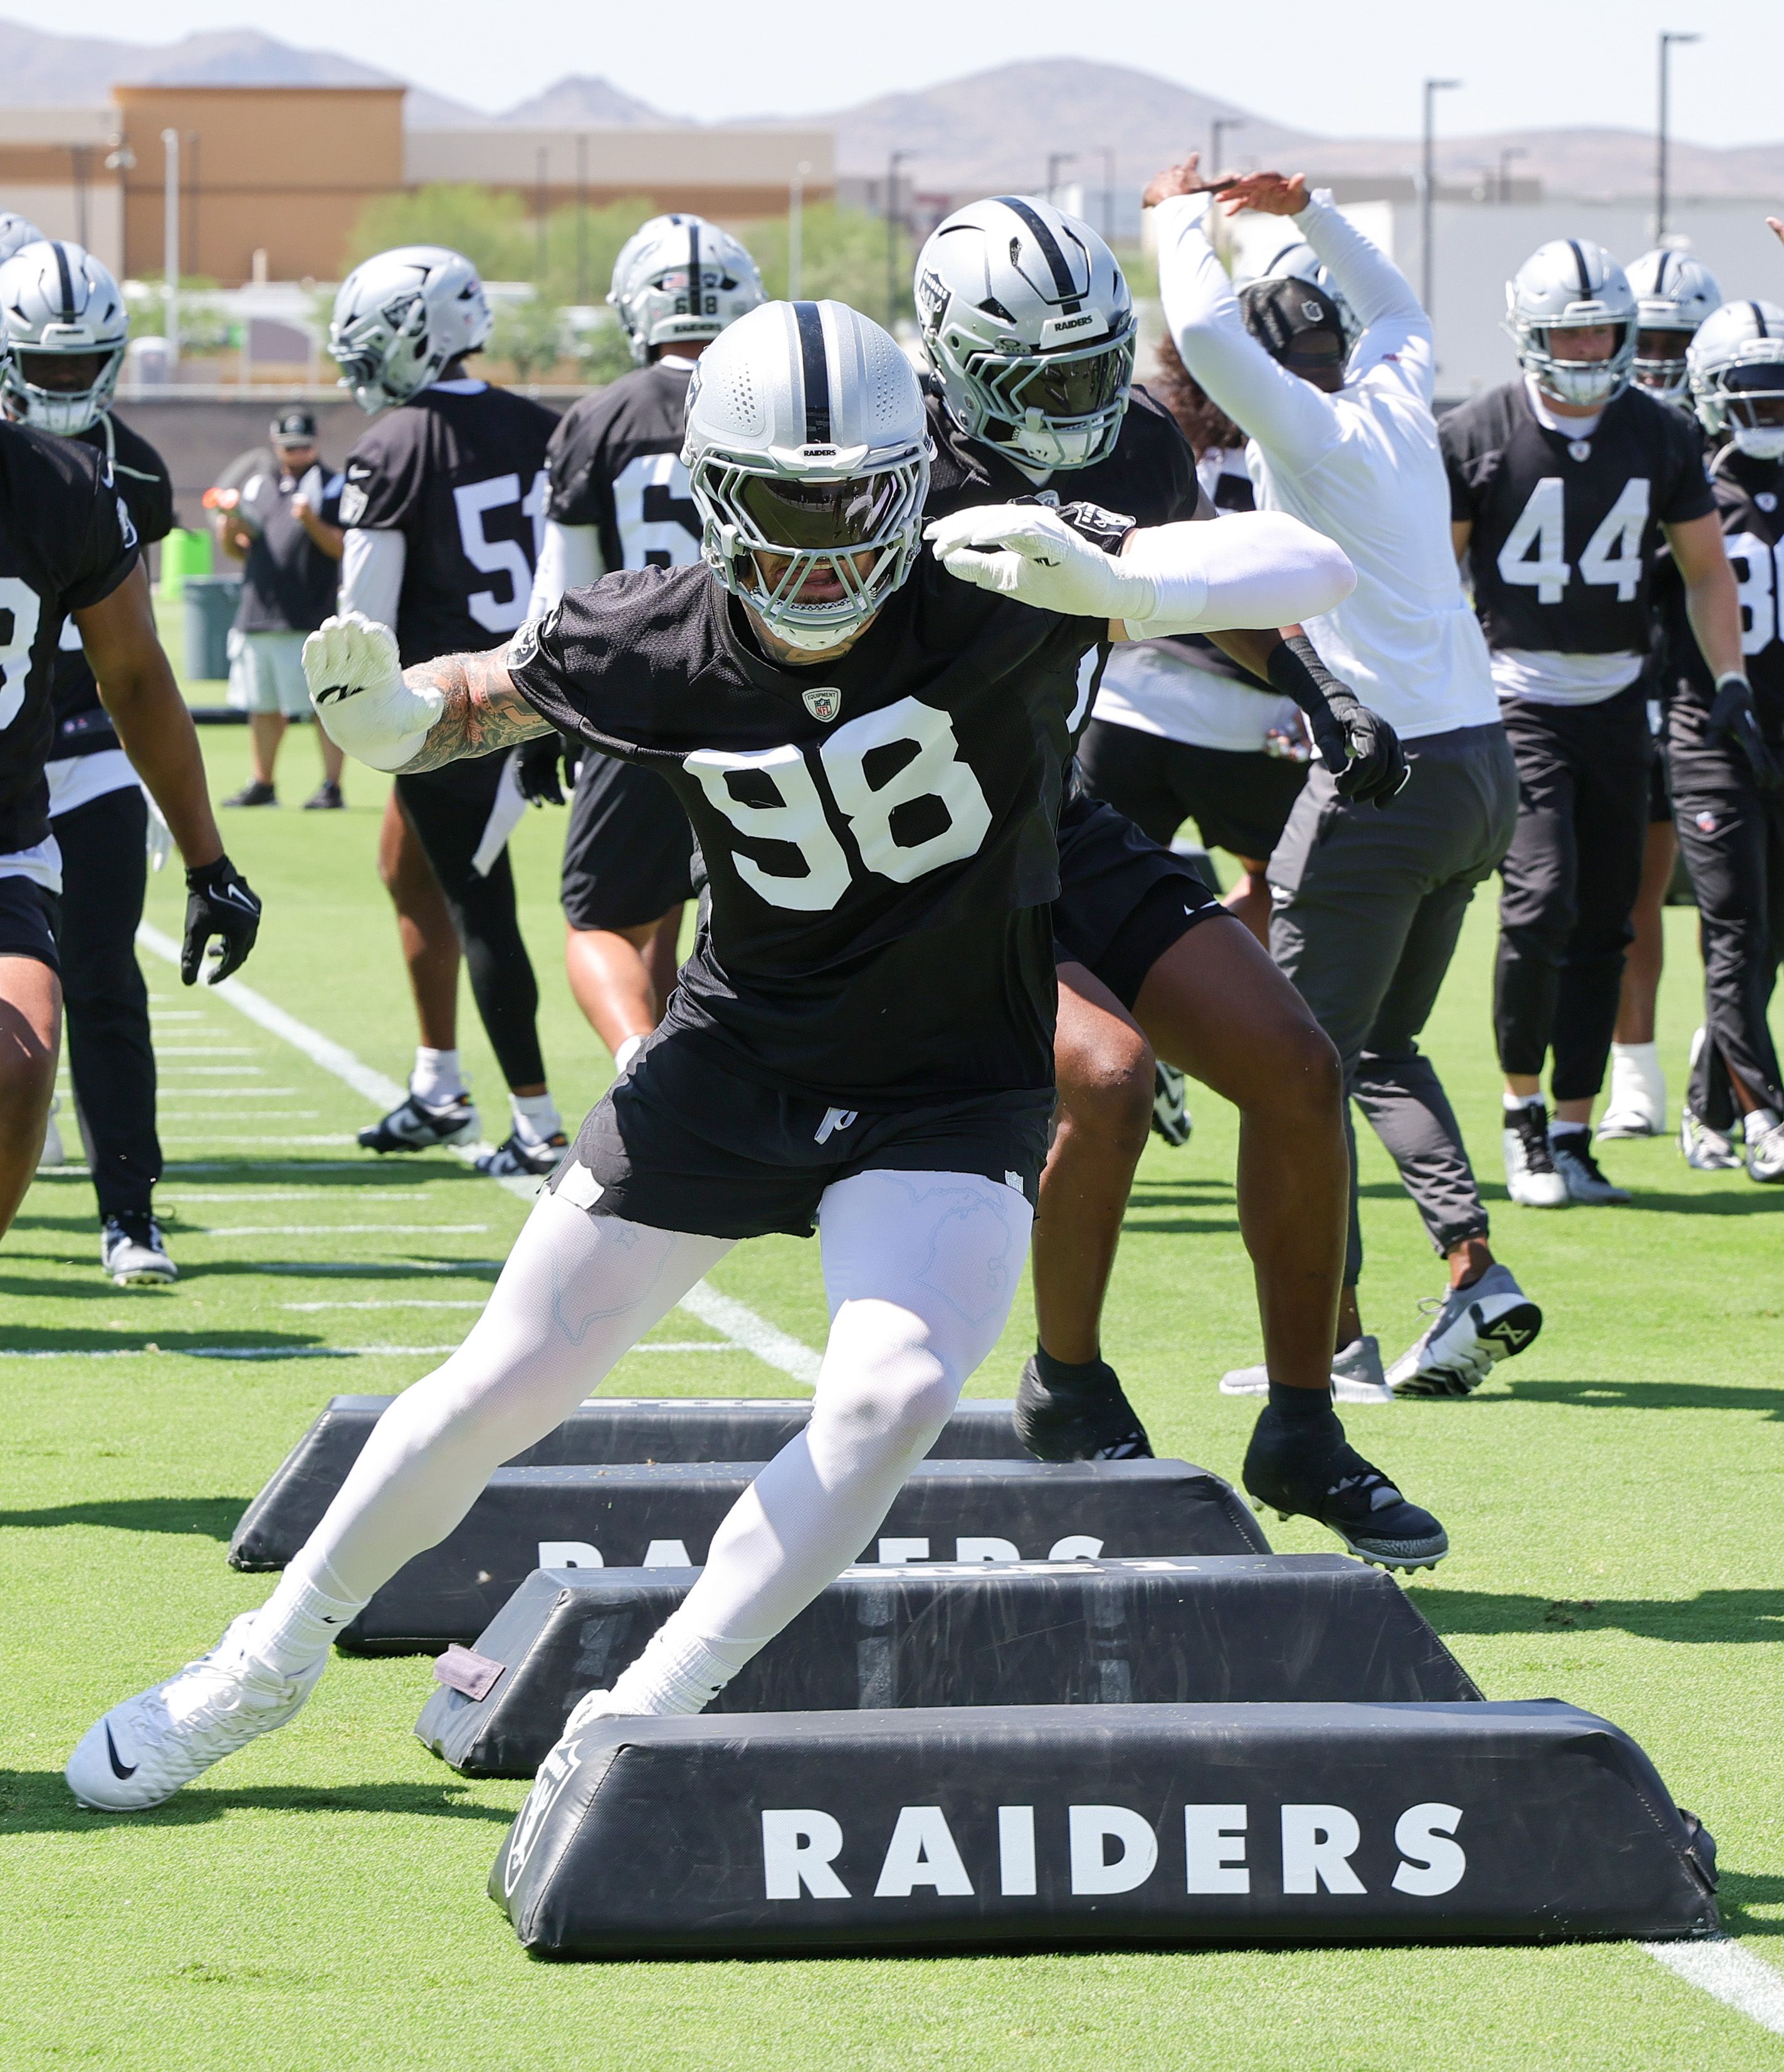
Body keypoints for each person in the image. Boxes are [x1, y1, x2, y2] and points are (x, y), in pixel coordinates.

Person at [63, 296, 1356, 1810]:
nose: (817, 551)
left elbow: (1308, 563)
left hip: (949, 1077)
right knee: (498, 1383)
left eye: (853, 505)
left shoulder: (999, 569)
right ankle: (261, 1664)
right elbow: (481, 695)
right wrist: (392, 714)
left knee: (889, 1396)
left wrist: (1120, 573)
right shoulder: (653, 626)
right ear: (711, 496)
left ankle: (642, 1706)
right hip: (735, 1057)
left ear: (911, 482)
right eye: (780, 507)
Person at [915, 196, 1444, 1565]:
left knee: (1295, 1062)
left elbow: (1205, 585)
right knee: (1101, 1075)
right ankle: (1068, 1378)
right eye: (1042, 376)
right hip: (918, 840)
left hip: (1060, 812)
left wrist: (1325, 691)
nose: (1081, 400)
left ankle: (1303, 1421)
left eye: (1097, 363)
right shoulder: (892, 459)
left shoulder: (1138, 437)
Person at [1150, 154, 1543, 1401]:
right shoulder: (1393, 390)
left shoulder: (1307, 428)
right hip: (1483, 764)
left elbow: (1207, 331)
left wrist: (1176, 221)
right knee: (1374, 1049)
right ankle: (1474, 1269)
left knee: (1295, 1061)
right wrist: (1306, 211)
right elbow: (1404, 311)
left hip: (1390, 774)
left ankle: (1335, 1345)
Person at [1443, 240, 1742, 1206]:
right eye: (1566, 328)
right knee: (1539, 903)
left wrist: (1728, 676)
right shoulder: (1479, 428)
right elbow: (1438, 580)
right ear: (1528, 332)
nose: (1585, 345)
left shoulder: (1655, 431)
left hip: (1619, 699)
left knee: (1610, 919)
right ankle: (1522, 1118)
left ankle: (1574, 1129)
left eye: (1600, 328)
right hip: (1515, 694)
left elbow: (1704, 568)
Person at [0, 282, 262, 1253]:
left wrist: (209, 860)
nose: (65, 380)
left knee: (79, 1000)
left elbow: (137, 669)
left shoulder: (92, 481)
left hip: (49, 782)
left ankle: (128, 1212)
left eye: (81, 362)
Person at [328, 245, 567, 1178]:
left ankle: (538, 1121)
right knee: (408, 866)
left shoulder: (392, 443)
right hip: (546, 679)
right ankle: (438, 1084)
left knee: (481, 904)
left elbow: (364, 615)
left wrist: (362, 712)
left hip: (450, 704)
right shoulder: (545, 425)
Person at [525, 216, 764, 1076]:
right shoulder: (775, 396)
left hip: (639, 698)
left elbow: (564, 602)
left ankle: (645, 1068)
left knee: (601, 924)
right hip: (769, 696)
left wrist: (545, 716)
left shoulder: (597, 418)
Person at [1077, 337, 1311, 946]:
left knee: (1083, 894)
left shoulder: (1147, 423)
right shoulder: (1299, 439)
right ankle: (1207, 1010)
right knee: (1280, 884)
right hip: (1242, 713)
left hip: (1123, 699)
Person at [1597, 250, 1724, 1141]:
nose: (1658, 356)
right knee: (1623, 896)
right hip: (1621, 682)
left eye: (1679, 339)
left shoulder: (1727, 426)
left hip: (1713, 685)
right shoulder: (1607, 428)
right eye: (1648, 335)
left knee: (1736, 902)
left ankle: (1721, 1054)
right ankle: (1632, 1077)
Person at [1657, 299, 1784, 1181]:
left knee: (1762, 939)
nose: (1767, 413)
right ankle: (1766, 1117)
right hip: (1710, 733)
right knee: (1736, 926)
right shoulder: (1684, 486)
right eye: (1751, 396)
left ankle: (1707, 1107)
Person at [213, 407, 347, 810]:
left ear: (317, 443)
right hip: (259, 612)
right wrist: (230, 529)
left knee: (324, 707)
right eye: (289, 447)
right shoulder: (257, 486)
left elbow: (343, 548)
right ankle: (263, 783)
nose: (297, 454)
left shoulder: (333, 485)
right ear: (276, 445)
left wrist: (309, 520)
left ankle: (332, 787)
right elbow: (243, 552)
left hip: (310, 614)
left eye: (304, 446)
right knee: (263, 707)